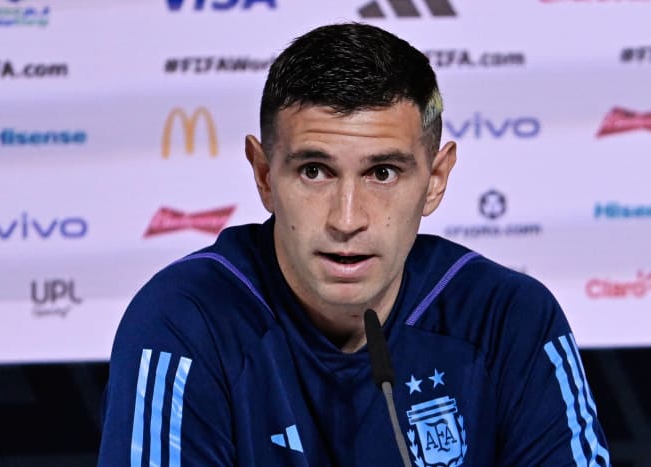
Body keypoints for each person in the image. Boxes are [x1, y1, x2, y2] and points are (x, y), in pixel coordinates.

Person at [98, 23, 610, 466]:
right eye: (315, 171)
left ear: (435, 179)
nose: (347, 219)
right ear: (264, 175)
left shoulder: (508, 318)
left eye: (382, 173)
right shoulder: (186, 321)